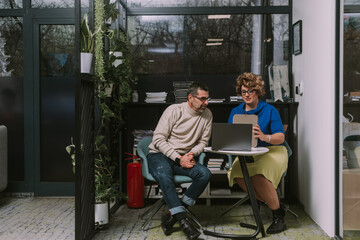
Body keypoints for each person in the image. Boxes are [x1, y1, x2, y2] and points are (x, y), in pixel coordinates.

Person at [147, 81, 213, 240]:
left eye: (207, 98)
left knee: (204, 174)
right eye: (202, 99)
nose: (206, 102)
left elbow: (203, 142)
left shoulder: (207, 114)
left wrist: (191, 154)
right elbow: (158, 139)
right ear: (191, 98)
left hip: (185, 157)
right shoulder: (174, 110)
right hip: (160, 155)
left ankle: (173, 215)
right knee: (164, 175)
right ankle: (184, 222)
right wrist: (178, 158)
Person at [227, 72, 288, 234]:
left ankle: (278, 217)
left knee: (258, 175)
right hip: (246, 152)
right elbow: (230, 134)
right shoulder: (236, 111)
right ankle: (277, 205)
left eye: (250, 91)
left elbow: (280, 137)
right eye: (243, 91)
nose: (246, 95)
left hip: (272, 150)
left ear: (258, 92)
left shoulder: (269, 110)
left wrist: (264, 136)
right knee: (238, 174)